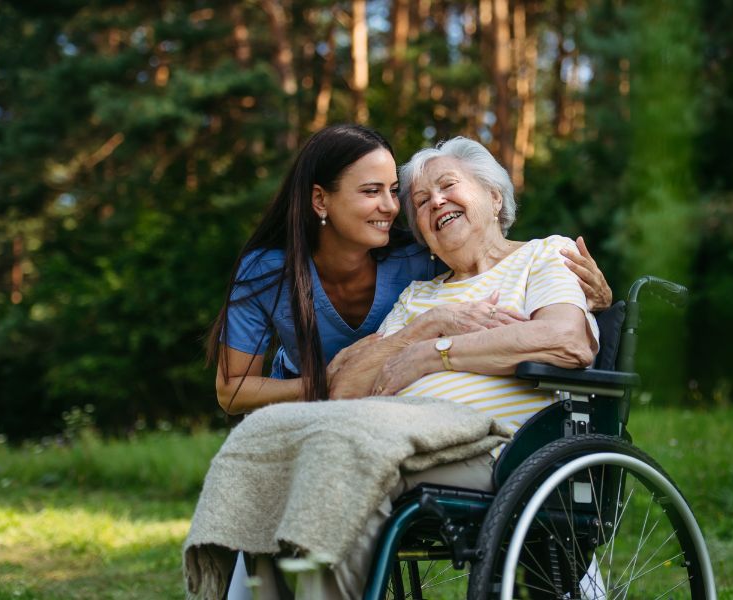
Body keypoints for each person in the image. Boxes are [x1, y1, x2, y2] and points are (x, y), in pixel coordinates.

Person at [205, 125, 611, 599]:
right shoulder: (419, 293)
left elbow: (567, 340)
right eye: (420, 200)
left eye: (448, 186)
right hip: (395, 437)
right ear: (423, 241)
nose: (432, 202)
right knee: (278, 451)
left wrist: (435, 354)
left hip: (494, 446)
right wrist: (425, 329)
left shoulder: (543, 255)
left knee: (339, 462)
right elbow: (344, 387)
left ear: (494, 198)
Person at [207, 124, 611, 415]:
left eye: (394, 192)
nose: (392, 207)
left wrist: (596, 301)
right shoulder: (270, 273)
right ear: (320, 201)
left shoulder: (421, 260)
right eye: (372, 192)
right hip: (328, 408)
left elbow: (490, 247)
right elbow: (236, 391)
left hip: (420, 429)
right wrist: (424, 331)